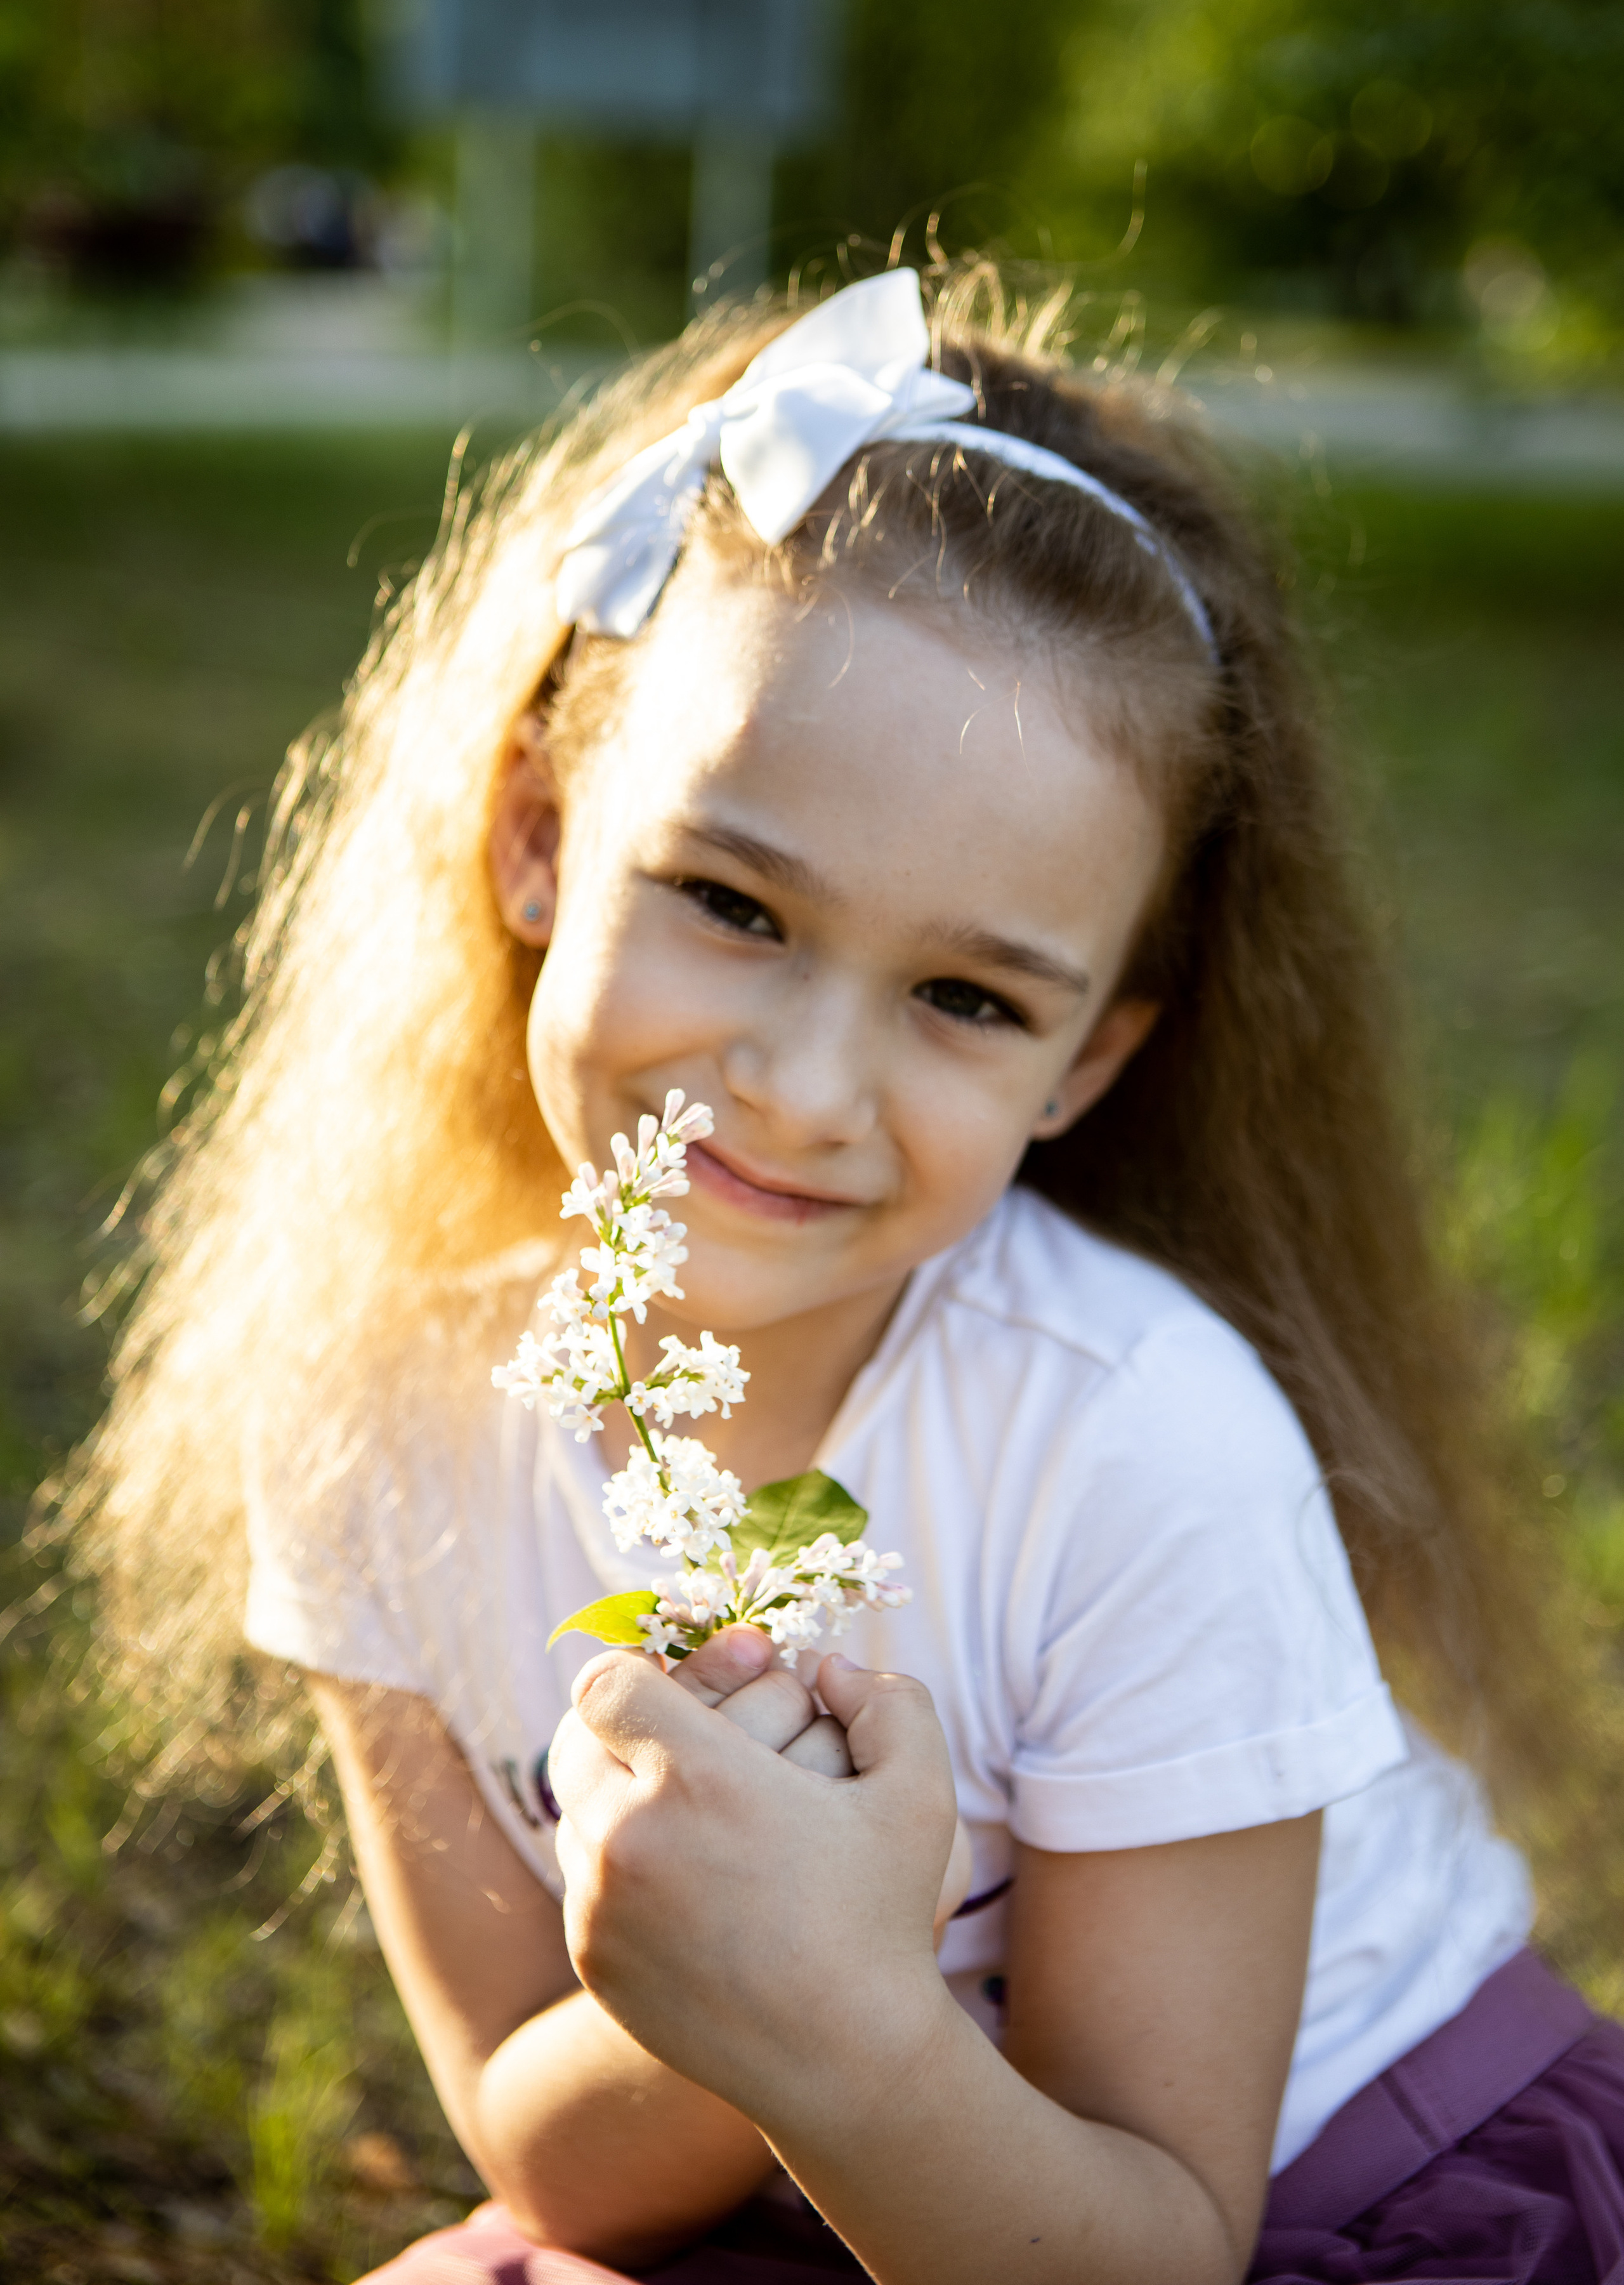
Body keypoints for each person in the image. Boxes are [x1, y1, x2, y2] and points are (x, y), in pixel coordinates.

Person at [72, 263, 1624, 2285]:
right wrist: (739, 2001)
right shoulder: (371, 1412)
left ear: (1092, 1060)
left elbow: (1155, 2240)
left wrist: (839, 2010)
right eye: (731, 900)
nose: (802, 1090)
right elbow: (561, 2167)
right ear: (537, 830)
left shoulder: (1131, 1442)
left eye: (968, 998)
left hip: (1327, 2209)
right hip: (802, 2191)